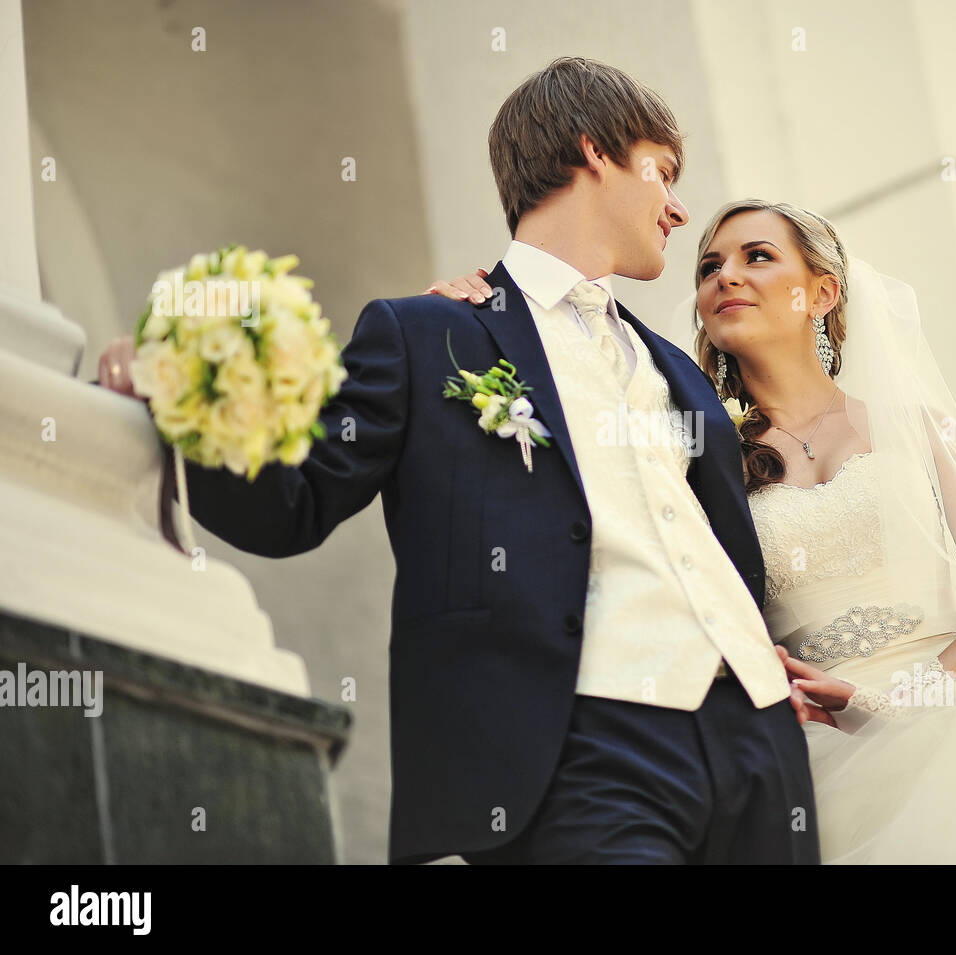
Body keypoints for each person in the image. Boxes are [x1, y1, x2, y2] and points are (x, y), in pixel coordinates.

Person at [97, 58, 821, 865]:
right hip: (581, 749)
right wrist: (179, 394)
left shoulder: (681, 371)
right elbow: (293, 502)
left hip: (760, 749)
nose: (680, 208)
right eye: (664, 173)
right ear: (594, 153)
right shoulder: (426, 334)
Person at [428, 197, 956, 864]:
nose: (725, 274)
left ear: (823, 291)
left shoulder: (917, 424)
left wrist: (895, 706)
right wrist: (473, 322)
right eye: (709, 264)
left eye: (757, 256)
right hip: (813, 758)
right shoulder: (696, 454)